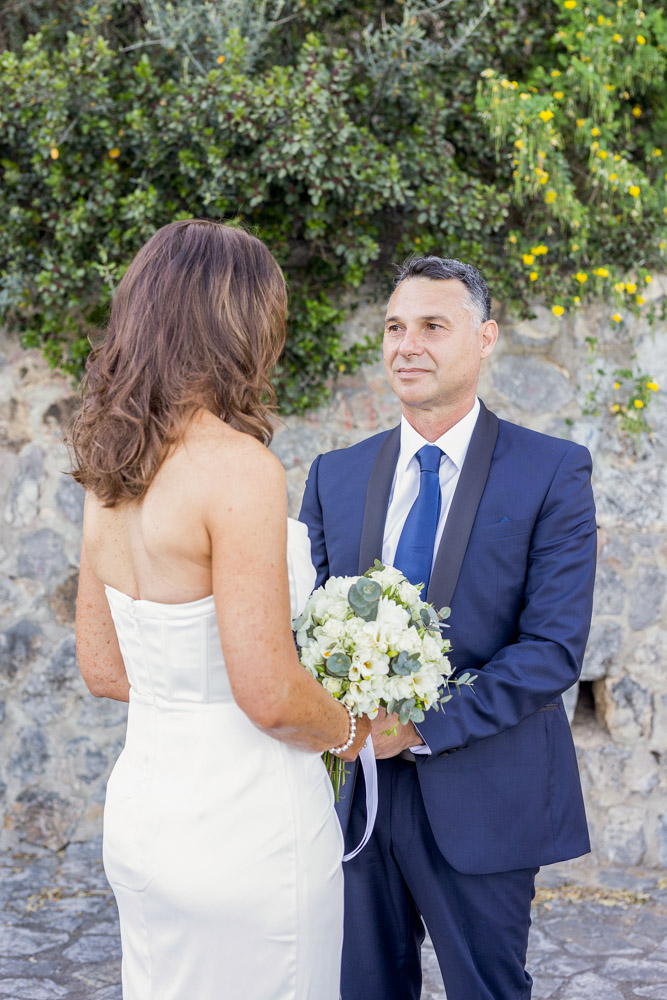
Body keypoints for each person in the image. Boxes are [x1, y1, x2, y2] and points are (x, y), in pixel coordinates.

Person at [70, 219, 370, 1000]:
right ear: (240, 324)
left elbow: (103, 668)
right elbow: (268, 693)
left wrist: (189, 696)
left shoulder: (110, 465)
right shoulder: (239, 468)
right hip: (248, 830)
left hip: (144, 819)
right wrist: (353, 732)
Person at [300, 255, 597, 1000]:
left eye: (433, 326)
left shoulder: (551, 472)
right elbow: (300, 628)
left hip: (484, 793)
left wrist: (418, 725)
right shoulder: (333, 475)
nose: (408, 345)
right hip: (351, 798)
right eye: (395, 327)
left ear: (485, 337)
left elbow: (551, 649)